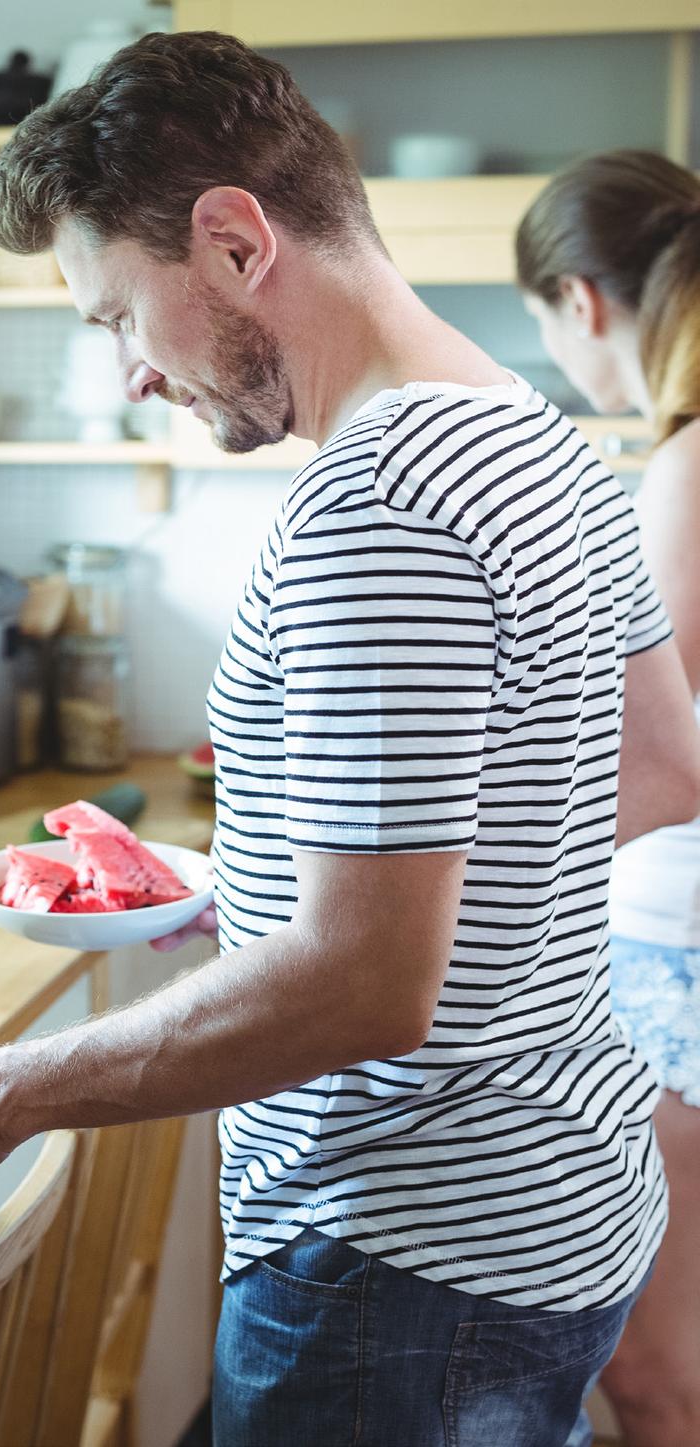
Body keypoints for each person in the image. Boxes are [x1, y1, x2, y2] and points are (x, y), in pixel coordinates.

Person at [0, 35, 700, 1446]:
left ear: (231, 240)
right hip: (557, 1206)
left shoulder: (374, 501)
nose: (132, 374)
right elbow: (656, 774)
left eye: (116, 320)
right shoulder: (540, 433)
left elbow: (364, 984)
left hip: (399, 1258)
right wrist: (296, 867)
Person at [517, 149, 700, 1447]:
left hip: (678, 955)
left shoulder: (688, 468)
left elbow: (660, 764)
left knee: (648, 1374)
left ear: (581, 303)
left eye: (538, 321)